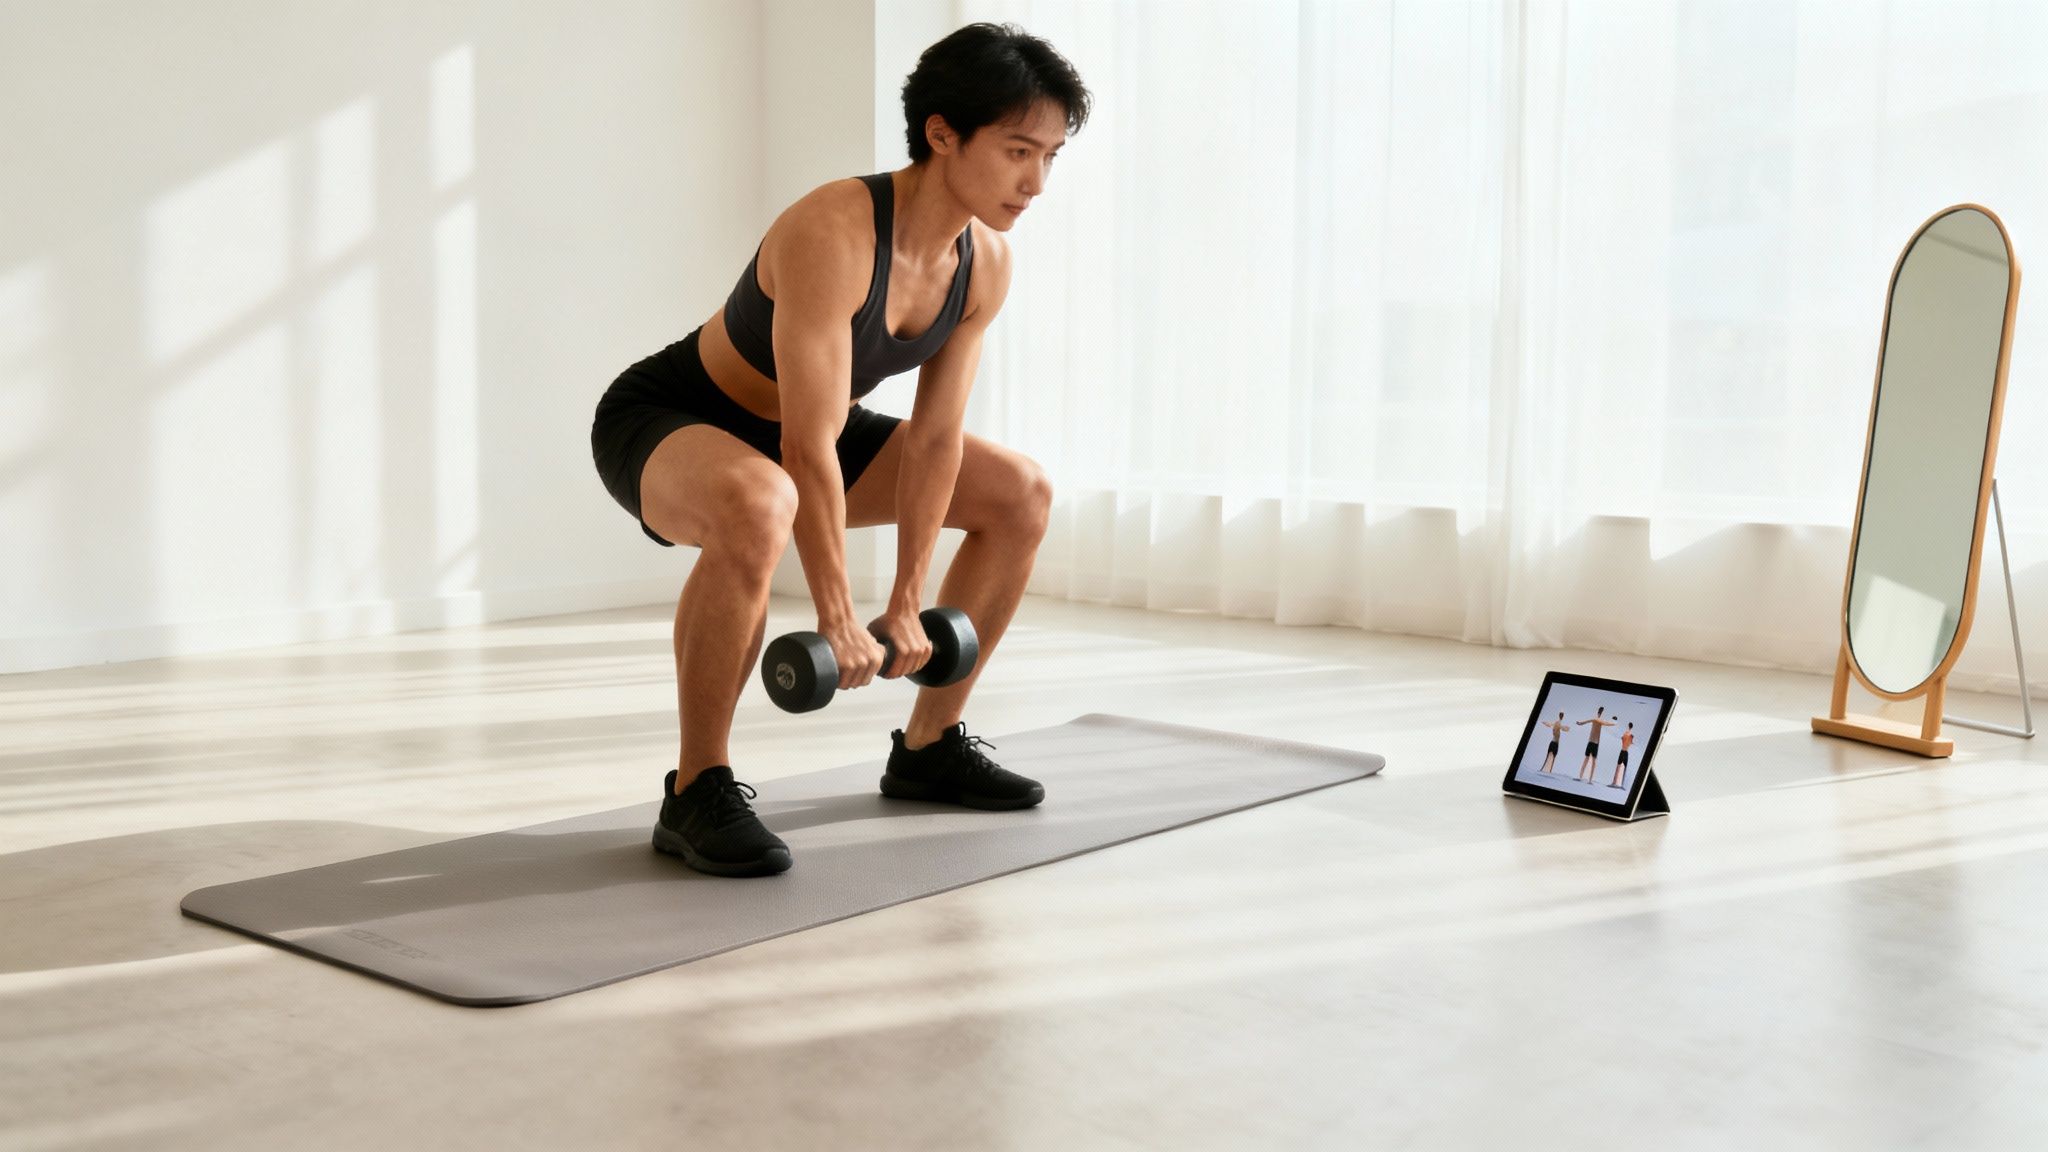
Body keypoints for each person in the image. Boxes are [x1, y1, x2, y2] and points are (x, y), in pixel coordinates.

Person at [589, 24, 1091, 877]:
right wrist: (834, 614)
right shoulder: (835, 229)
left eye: (1049, 156)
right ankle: (695, 789)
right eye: (1017, 151)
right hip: (673, 416)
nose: (1036, 182)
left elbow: (934, 439)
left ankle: (929, 748)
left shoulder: (985, 264)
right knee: (760, 498)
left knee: (1021, 494)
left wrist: (904, 603)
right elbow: (803, 441)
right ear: (942, 134)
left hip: (807, 432)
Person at [1575, 707, 1616, 783]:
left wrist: (1580, 723)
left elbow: (1586, 722)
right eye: (1600, 712)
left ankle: (1585, 778)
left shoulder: (1597, 720)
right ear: (1600, 713)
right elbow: (1607, 723)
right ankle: (1584, 778)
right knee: (1590, 761)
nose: (1599, 713)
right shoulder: (1598, 720)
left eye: (1600, 712)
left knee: (1589, 760)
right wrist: (1613, 723)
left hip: (1592, 742)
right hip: (1593, 743)